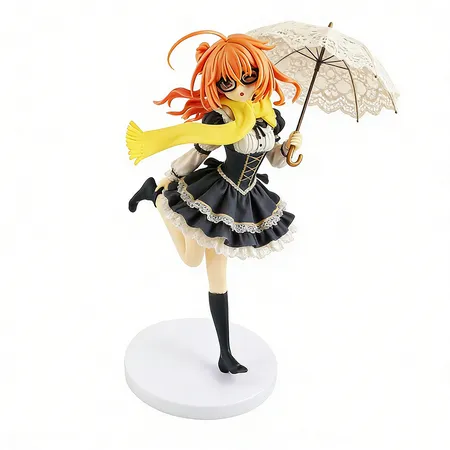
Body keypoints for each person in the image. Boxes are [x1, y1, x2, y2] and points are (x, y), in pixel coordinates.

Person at [126, 30, 303, 374]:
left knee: (213, 274)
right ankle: (156, 195)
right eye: (228, 82)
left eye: (248, 77)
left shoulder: (270, 117)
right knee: (193, 262)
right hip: (215, 198)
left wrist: (288, 148)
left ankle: (225, 354)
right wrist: (167, 178)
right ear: (216, 85)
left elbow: (274, 159)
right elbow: (196, 154)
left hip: (247, 201)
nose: (240, 88)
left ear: (260, 74)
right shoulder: (222, 119)